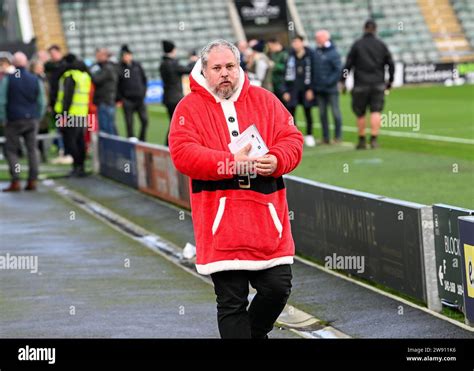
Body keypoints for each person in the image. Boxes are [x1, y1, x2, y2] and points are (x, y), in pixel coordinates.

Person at [168, 39, 303, 339]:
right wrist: (230, 163)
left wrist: (278, 159)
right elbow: (183, 154)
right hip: (220, 226)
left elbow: (292, 139)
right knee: (231, 303)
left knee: (278, 288)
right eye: (217, 68)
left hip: (268, 223)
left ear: (239, 67)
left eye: (230, 66)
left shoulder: (266, 100)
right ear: (204, 70)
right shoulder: (188, 107)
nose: (225, 73)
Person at [341, 20, 394, 149]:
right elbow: (391, 64)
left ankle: (362, 140)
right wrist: (390, 81)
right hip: (378, 84)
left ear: (364, 29)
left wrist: (342, 80)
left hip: (360, 84)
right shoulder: (381, 45)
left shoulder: (357, 45)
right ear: (375, 30)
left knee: (360, 113)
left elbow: (347, 65)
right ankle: (374, 139)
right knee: (376, 111)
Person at [0, 52, 46, 192]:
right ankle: (32, 180)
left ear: (13, 63)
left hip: (13, 120)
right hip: (31, 119)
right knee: (32, 149)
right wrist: (37, 116)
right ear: (25, 63)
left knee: (12, 151)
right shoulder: (35, 79)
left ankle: (16, 180)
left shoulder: (8, 79)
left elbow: (2, 101)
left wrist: (3, 118)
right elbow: (42, 101)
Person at [54, 54, 91, 177]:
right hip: (81, 113)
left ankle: (76, 167)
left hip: (70, 114)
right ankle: (81, 167)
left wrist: (63, 115)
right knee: (80, 141)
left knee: (71, 142)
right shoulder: (84, 76)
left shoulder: (70, 76)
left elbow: (67, 98)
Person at [283, 35, 316, 147]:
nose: (295, 44)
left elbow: (315, 73)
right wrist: (285, 91)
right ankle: (295, 137)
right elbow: (285, 75)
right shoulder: (290, 56)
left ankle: (309, 135)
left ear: (302, 43)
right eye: (294, 42)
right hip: (293, 90)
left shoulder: (310, 56)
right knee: (291, 114)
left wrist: (311, 89)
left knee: (308, 112)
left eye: (297, 42)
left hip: (306, 89)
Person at [159, 40, 193, 146]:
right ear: (173, 50)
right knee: (177, 123)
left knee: (174, 122)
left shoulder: (163, 64)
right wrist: (193, 61)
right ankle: (170, 144)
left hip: (168, 97)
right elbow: (188, 70)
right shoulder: (172, 64)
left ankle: (170, 144)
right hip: (175, 98)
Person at [312, 30, 343, 144]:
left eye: (319, 37)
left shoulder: (333, 52)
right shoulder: (316, 52)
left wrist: (328, 82)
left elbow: (338, 70)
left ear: (326, 38)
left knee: (335, 112)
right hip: (319, 89)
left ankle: (338, 136)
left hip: (331, 89)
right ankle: (326, 137)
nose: (317, 40)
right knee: (322, 114)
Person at [117, 44, 149, 141]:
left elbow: (144, 80)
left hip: (139, 99)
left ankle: (142, 140)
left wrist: (143, 93)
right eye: (125, 55)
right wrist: (121, 98)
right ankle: (131, 141)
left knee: (145, 120)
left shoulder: (137, 65)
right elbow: (117, 84)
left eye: (128, 55)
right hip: (127, 100)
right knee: (129, 124)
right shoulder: (120, 68)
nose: (127, 57)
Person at [90, 47, 118, 135]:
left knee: (106, 128)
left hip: (105, 100)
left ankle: (111, 147)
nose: (97, 57)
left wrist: (91, 72)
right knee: (109, 126)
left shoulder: (107, 68)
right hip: (106, 100)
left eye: (99, 55)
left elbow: (96, 79)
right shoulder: (107, 67)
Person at [30, 59, 50, 162]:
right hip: (35, 109)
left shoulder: (44, 78)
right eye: (39, 67)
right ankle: (36, 154)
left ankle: (42, 153)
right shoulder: (32, 79)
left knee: (43, 131)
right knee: (34, 133)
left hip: (44, 110)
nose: (41, 68)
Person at [266, 38, 288, 104]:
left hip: (282, 84)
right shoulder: (273, 54)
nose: (270, 48)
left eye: (271, 46)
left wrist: (274, 65)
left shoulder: (284, 54)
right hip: (275, 84)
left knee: (284, 105)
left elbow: (285, 68)